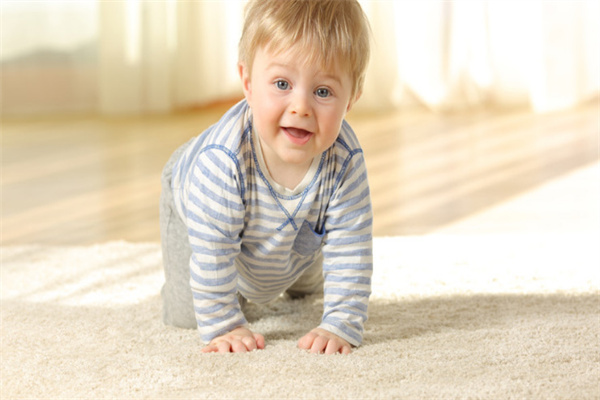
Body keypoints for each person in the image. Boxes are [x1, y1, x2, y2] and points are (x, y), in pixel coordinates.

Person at [159, 0, 372, 355]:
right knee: (188, 313)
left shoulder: (345, 159)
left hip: (291, 220)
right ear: (248, 83)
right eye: (282, 83)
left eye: (323, 92)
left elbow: (352, 244)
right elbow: (214, 252)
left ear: (351, 100)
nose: (300, 106)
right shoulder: (221, 163)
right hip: (197, 206)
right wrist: (226, 325)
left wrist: (340, 323)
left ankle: (294, 275)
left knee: (304, 271)